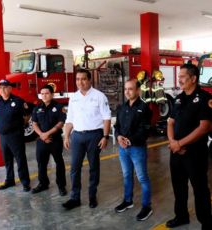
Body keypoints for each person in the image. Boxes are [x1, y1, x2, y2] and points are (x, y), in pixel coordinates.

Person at [166, 64, 212, 230]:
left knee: (200, 190)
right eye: (178, 76)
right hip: (176, 152)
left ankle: (207, 224)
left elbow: (204, 127)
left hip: (195, 154)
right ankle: (181, 217)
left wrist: (179, 143)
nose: (179, 79)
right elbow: (170, 122)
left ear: (193, 79)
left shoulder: (205, 99)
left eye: (182, 76)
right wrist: (173, 142)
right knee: (178, 188)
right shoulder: (179, 98)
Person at [62, 69, 111, 210]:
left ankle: (92, 196)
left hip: (94, 135)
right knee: (74, 168)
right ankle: (75, 198)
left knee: (94, 167)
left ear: (90, 80)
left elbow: (106, 117)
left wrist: (105, 136)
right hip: (77, 136)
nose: (80, 82)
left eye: (83, 79)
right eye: (77, 79)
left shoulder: (99, 96)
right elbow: (69, 119)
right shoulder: (74, 97)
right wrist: (66, 136)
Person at [114, 79, 153, 221]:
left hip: (137, 148)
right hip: (123, 148)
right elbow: (117, 126)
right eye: (125, 89)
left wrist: (130, 140)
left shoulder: (144, 108)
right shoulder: (122, 107)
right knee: (126, 175)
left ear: (138, 90)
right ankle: (128, 201)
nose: (127, 92)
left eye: (130, 89)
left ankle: (146, 206)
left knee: (142, 177)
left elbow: (145, 130)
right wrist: (118, 138)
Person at [0, 79, 31, 192]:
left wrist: (20, 125)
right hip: (3, 136)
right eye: (0, 88)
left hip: (15, 135)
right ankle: (10, 180)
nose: (2, 90)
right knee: (7, 159)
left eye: (5, 87)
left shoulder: (18, 101)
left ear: (10, 88)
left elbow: (27, 115)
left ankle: (25, 182)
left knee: (20, 159)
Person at [31, 84, 67, 196]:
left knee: (59, 163)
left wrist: (47, 134)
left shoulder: (59, 107)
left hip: (55, 140)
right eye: (42, 94)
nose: (44, 96)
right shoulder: (37, 107)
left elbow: (61, 123)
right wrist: (42, 135)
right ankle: (43, 184)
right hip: (41, 140)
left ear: (52, 94)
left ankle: (61, 186)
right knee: (41, 163)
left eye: (47, 93)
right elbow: (34, 123)